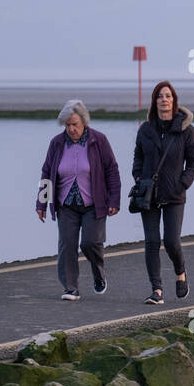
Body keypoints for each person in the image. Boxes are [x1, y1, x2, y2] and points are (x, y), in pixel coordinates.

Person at [36, 99, 121, 300]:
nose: (71, 129)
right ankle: (71, 288)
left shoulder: (98, 140)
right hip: (66, 204)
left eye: (74, 124)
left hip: (94, 203)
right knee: (67, 246)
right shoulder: (57, 143)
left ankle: (98, 274)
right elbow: (47, 173)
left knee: (91, 243)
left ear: (84, 122)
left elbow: (112, 170)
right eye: (67, 125)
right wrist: (41, 202)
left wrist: (114, 200)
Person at [133, 81, 194, 304]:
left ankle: (180, 272)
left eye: (168, 96)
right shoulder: (145, 129)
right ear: (155, 101)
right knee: (152, 242)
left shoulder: (186, 130)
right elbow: (138, 156)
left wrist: (182, 183)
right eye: (160, 96)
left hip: (174, 194)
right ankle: (157, 290)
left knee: (171, 240)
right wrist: (138, 176)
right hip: (148, 194)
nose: (164, 99)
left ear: (174, 101)